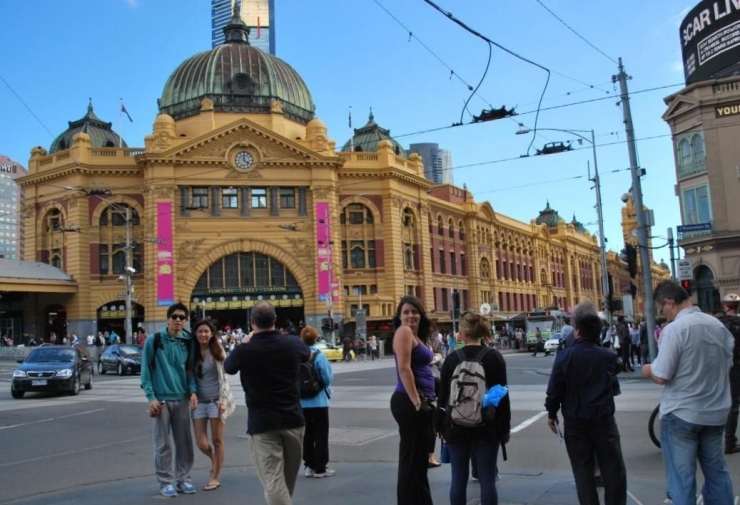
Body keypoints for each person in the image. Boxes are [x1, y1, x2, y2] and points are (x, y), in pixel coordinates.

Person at [642, 280, 734, 505]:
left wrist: (647, 370)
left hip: (682, 412)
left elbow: (662, 375)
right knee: (717, 473)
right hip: (716, 412)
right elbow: (728, 365)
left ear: (669, 302)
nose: (663, 314)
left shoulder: (675, 330)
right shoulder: (718, 326)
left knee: (681, 478)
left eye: (662, 309)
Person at [224, 301, 310, 505]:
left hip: (263, 423)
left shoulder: (245, 349)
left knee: (274, 481)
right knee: (285, 481)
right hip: (293, 420)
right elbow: (309, 355)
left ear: (252, 322)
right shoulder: (292, 343)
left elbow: (228, 367)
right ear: (275, 319)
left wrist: (244, 343)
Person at [545, 302, 626, 505]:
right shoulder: (608, 357)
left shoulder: (564, 357)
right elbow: (616, 371)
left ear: (578, 332)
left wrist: (551, 413)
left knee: (583, 472)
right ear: (599, 334)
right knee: (613, 471)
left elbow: (554, 389)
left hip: (575, 421)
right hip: (603, 421)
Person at [437, 311, 511, 505]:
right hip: (488, 426)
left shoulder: (452, 359)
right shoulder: (494, 357)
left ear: (462, 332)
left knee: (458, 480)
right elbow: (503, 396)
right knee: (487, 481)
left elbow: (443, 397)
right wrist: (505, 427)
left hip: (456, 426)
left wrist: (441, 427)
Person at [140, 302, 198, 498]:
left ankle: (184, 479)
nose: (178, 321)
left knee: (184, 443)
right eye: (174, 317)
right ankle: (165, 482)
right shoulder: (154, 340)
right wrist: (151, 397)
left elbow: (190, 370)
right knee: (163, 443)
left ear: (186, 320)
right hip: (162, 400)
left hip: (182, 398)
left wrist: (192, 391)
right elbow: (146, 373)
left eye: (182, 318)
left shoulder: (189, 341)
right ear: (168, 318)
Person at [390, 296, 436, 505]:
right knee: (412, 460)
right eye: (406, 312)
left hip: (416, 402)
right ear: (399, 317)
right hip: (409, 402)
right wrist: (418, 402)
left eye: (414, 311)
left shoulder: (415, 335)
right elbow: (404, 368)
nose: (410, 316)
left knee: (418, 460)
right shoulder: (404, 332)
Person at [191, 319, 235, 491]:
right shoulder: (192, 352)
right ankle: (213, 459)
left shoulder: (217, 350)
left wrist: (223, 401)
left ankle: (215, 476)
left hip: (216, 401)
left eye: (206, 332)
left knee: (217, 440)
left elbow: (224, 378)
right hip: (199, 403)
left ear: (211, 334)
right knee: (202, 443)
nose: (203, 334)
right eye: (200, 331)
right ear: (195, 334)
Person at [299, 326, 335, 478]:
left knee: (307, 435)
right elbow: (327, 378)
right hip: (319, 402)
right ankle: (321, 468)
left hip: (302, 403)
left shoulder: (298, 356)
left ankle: (309, 466)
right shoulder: (319, 356)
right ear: (316, 338)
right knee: (321, 435)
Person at [718, 293, 740, 454]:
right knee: (734, 405)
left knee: (731, 403)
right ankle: (730, 442)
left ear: (724, 306)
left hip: (722, 367)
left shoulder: (717, 324)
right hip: (737, 367)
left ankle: (729, 441)